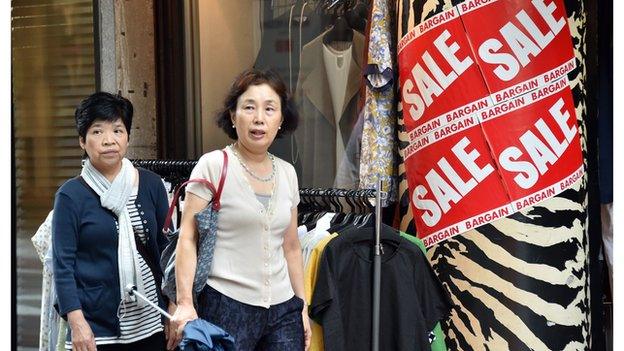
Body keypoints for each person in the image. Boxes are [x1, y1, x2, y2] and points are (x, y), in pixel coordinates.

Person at [170, 69, 312, 350]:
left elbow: (292, 246)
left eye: (270, 109)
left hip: (283, 309)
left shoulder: (287, 173)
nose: (259, 118)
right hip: (226, 304)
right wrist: (185, 303)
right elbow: (187, 237)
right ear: (234, 117)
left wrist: (302, 307)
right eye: (249, 107)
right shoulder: (213, 165)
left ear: (281, 120)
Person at [52, 92, 172, 351]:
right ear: (82, 141)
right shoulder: (71, 195)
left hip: (151, 321)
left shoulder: (151, 184)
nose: (109, 140)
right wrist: (77, 323)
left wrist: (173, 306)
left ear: (127, 137)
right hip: (97, 329)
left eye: (118, 130)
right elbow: (62, 267)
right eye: (97, 132)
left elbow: (168, 251)